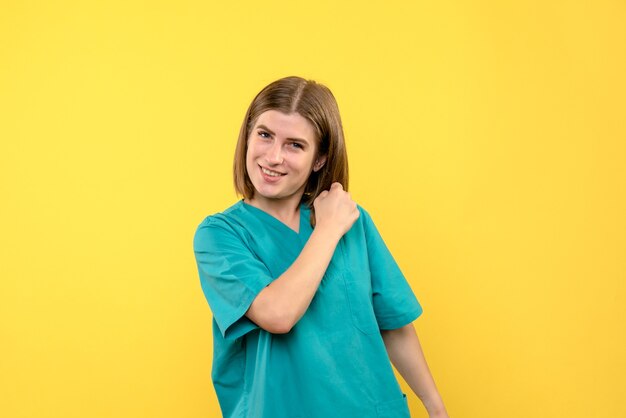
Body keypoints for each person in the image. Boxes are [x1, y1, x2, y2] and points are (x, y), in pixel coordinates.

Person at [193, 76, 449, 418]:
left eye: (295, 145)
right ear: (248, 136)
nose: (273, 157)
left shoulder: (352, 222)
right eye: (265, 135)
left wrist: (436, 407)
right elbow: (277, 314)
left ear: (319, 160)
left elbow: (393, 323)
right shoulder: (221, 234)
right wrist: (327, 230)